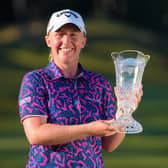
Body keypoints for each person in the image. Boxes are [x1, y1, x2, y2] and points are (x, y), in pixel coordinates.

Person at [18, 9, 142, 168]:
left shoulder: (99, 83)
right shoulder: (36, 80)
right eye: (59, 34)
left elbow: (109, 144)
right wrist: (89, 129)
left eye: (73, 35)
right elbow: (36, 134)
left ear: (83, 41)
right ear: (48, 40)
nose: (66, 41)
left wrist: (125, 111)